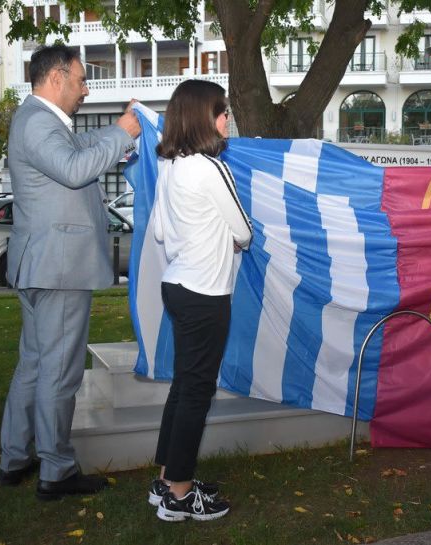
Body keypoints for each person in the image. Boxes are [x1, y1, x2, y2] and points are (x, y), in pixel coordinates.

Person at [0, 45, 141, 500]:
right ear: (56, 78)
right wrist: (121, 133)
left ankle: (15, 457)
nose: (85, 89)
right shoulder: (39, 122)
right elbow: (77, 169)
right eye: (81, 80)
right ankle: (56, 471)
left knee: (36, 365)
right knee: (59, 373)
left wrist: (119, 129)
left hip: (43, 265)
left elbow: (83, 146)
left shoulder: (41, 121)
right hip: (58, 268)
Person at [147, 79, 252, 522]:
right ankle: (179, 495)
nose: (228, 118)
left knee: (185, 386)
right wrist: (225, 240)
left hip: (178, 285)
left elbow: (158, 232)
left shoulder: (171, 165)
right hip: (206, 292)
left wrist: (202, 237)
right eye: (222, 111)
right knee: (196, 391)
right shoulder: (209, 167)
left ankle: (168, 478)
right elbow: (244, 231)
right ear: (201, 117)